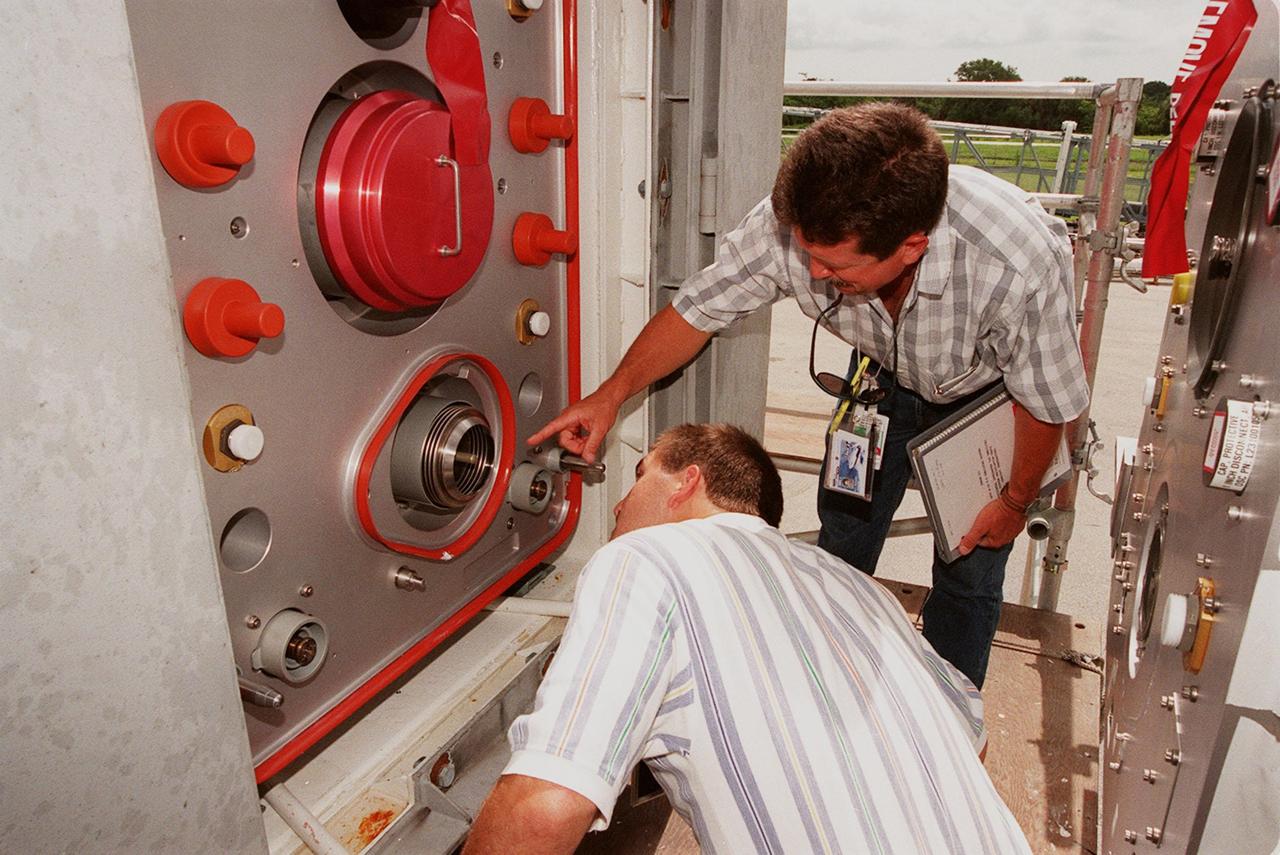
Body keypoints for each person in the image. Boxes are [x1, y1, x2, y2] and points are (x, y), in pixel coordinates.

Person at [528, 103, 1089, 688]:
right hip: (879, 380)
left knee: (971, 565)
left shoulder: (1017, 262)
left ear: (911, 247)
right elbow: (695, 312)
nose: (813, 273)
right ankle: (826, 689)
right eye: (807, 254)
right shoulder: (792, 227)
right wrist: (610, 395)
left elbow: (1048, 403)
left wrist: (1016, 500)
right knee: (843, 536)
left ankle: (949, 719)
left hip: (985, 399)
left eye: (834, 265)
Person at [464, 423, 1031, 854]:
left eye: (640, 476)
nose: (617, 504)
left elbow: (548, 803)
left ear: (688, 482)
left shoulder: (646, 558)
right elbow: (972, 739)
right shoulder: (857, 585)